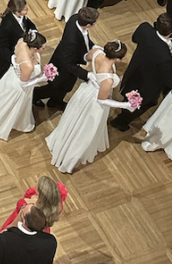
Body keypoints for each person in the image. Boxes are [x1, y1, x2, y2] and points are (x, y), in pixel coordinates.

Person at [46, 41, 129, 172]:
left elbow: (85, 57)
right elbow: (102, 100)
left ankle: (63, 143)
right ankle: (69, 158)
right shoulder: (108, 79)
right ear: (118, 59)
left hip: (86, 91)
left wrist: (92, 76)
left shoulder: (97, 52)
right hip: (94, 103)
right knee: (84, 130)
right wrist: (124, 105)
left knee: (74, 119)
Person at [0, 33, 49, 140]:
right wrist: (42, 78)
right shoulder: (28, 65)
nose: (45, 49)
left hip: (12, 76)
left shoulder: (22, 42)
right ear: (35, 48)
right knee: (10, 106)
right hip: (20, 88)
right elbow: (23, 84)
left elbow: (14, 56)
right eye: (43, 48)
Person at [112, 12, 172, 130]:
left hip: (134, 72)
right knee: (138, 105)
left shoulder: (144, 28)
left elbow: (134, 38)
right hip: (147, 86)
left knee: (127, 94)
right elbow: (168, 81)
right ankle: (120, 122)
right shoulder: (165, 57)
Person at [34, 7, 98, 109]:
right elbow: (68, 65)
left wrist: (93, 46)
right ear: (89, 25)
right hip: (64, 65)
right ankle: (34, 96)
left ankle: (55, 102)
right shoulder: (72, 41)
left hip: (67, 56)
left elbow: (84, 38)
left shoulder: (75, 18)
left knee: (66, 87)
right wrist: (87, 74)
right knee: (56, 87)